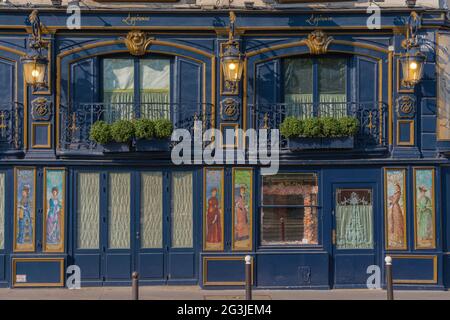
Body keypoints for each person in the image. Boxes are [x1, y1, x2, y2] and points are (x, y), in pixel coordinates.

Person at [388, 182, 405, 247]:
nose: (395, 188)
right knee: (394, 223)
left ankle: (399, 239)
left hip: (396, 208)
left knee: (397, 223)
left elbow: (394, 200)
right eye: (395, 187)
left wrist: (391, 199)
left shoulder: (398, 193)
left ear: (398, 187)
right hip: (393, 208)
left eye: (396, 187)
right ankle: (395, 239)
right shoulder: (396, 193)